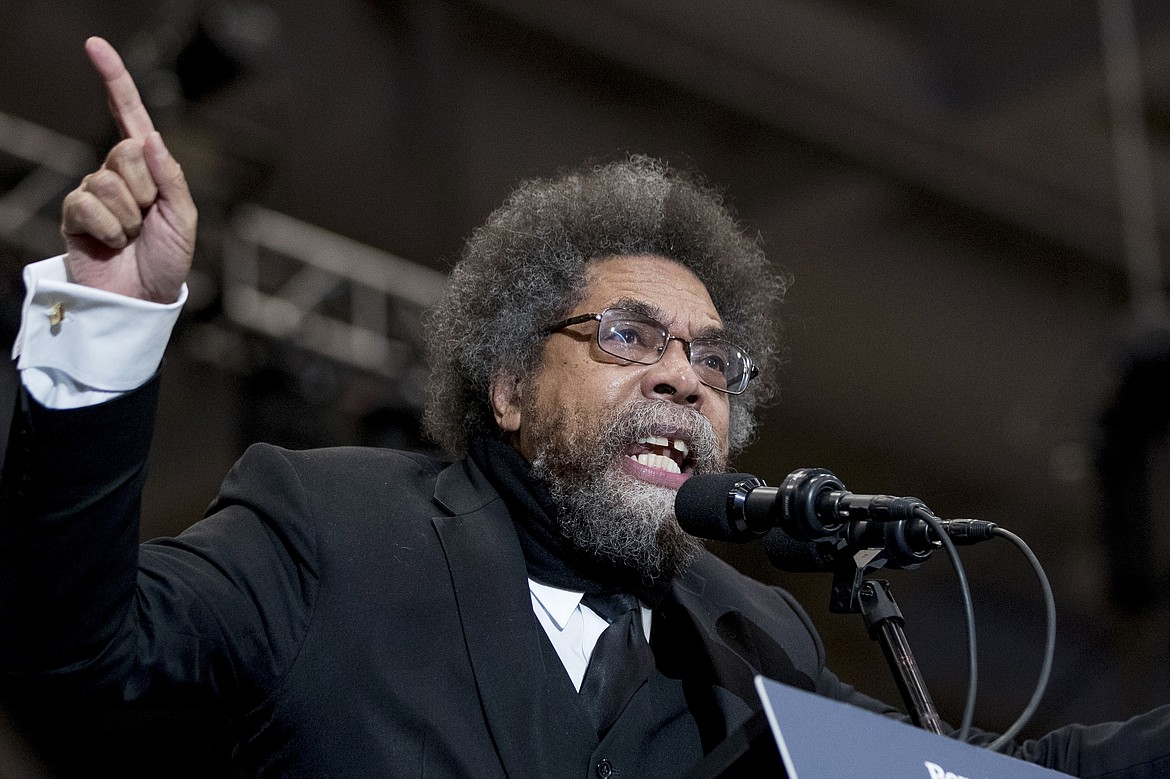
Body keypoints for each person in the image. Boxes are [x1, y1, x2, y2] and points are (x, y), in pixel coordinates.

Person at [2, 36, 1170, 778]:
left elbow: (979, 773)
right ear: (509, 383)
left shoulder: (753, 635)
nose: (683, 376)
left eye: (716, 362)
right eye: (629, 335)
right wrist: (105, 324)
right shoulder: (332, 524)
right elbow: (75, 652)